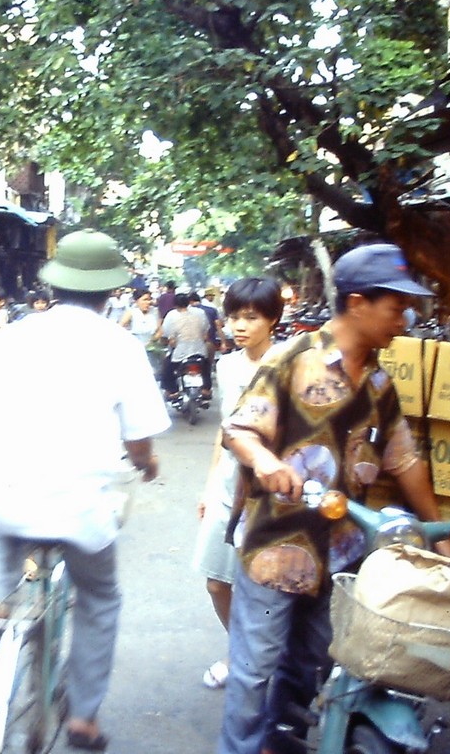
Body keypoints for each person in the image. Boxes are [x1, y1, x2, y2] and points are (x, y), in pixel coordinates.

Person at [217, 243, 450, 754]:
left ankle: (279, 742)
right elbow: (238, 431)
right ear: (357, 303)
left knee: (311, 665)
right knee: (254, 673)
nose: (405, 319)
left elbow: (405, 460)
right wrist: (265, 461)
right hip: (274, 550)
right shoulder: (291, 358)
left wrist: (441, 536)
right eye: (396, 307)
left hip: (344, 553)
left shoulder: (380, 384)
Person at [0, 230, 169, 751]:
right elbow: (139, 437)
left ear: (55, 286)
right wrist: (147, 466)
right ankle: (83, 717)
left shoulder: (14, 333)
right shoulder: (121, 345)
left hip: (10, 494)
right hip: (82, 506)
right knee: (100, 598)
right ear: (110, 293)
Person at [193, 277, 283, 691]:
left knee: (265, 586)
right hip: (229, 486)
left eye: (251, 317)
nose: (239, 326)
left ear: (273, 319)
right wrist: (210, 486)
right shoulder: (227, 366)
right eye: (233, 317)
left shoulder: (288, 363)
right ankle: (243, 652)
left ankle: (258, 660)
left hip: (274, 490)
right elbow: (224, 431)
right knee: (216, 583)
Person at [160, 291, 209, 398]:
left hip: (180, 354)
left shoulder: (171, 315)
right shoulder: (200, 313)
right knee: (206, 366)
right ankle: (206, 388)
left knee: (167, 368)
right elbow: (205, 333)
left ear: (175, 304)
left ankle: (172, 391)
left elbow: (170, 339)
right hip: (199, 351)